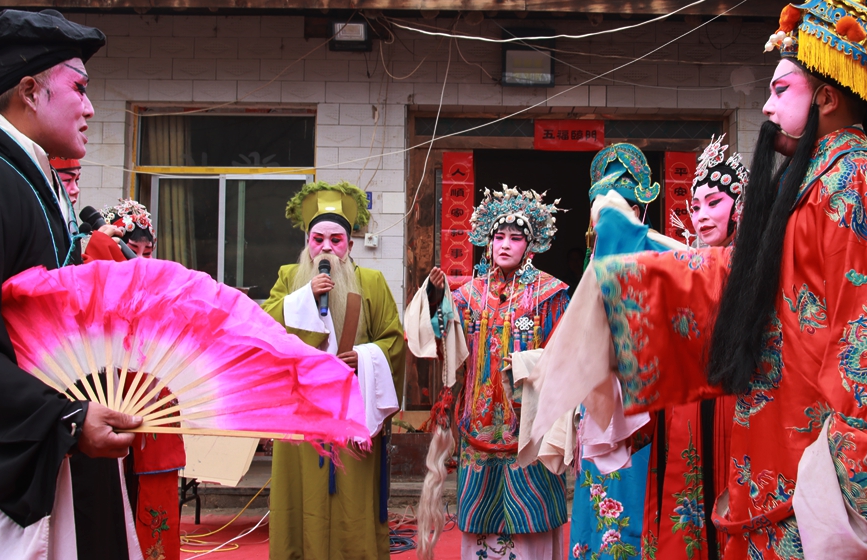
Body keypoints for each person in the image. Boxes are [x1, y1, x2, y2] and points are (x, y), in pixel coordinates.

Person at [526, 0, 867, 556]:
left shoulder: (862, 184)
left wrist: (865, 475)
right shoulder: (806, 189)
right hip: (774, 446)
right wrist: (635, 253)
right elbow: (731, 281)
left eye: (781, 90)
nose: (767, 108)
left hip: (818, 465)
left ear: (827, 98)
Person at [0, 9, 142, 560]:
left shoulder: (41, 187)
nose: (90, 108)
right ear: (30, 91)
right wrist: (66, 418)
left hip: (66, 447)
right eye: (79, 88)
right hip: (8, 466)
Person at [261, 181, 405, 560]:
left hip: (354, 409)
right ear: (307, 243)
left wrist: (366, 357)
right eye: (318, 239)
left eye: (336, 240)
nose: (326, 248)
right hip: (302, 413)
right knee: (300, 495)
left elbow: (393, 341)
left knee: (352, 500)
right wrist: (304, 297)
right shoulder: (288, 277)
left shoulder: (371, 282)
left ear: (350, 245)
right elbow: (265, 330)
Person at [426, 186, 570, 560]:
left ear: (530, 244)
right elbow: (448, 349)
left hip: (529, 425)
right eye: (498, 236)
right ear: (487, 242)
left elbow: (565, 355)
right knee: (482, 521)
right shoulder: (468, 295)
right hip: (479, 424)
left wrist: (528, 366)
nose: (505, 244)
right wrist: (435, 303)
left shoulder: (551, 294)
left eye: (515, 238)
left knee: (531, 519)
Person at [637, 136, 747, 560]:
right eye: (695, 206)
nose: (700, 215)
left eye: (714, 203)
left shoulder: (758, 266)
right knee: (681, 499)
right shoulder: (686, 266)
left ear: (739, 206)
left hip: (738, 403)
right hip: (682, 408)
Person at [569, 143, 664, 560]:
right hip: (599, 402)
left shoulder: (660, 255)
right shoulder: (593, 266)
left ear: (638, 212)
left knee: (639, 499)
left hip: (646, 402)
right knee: (597, 500)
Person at [83, 199, 185, 560]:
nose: (139, 258)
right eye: (130, 249)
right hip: (106, 397)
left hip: (152, 404)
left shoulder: (162, 286)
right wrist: (101, 245)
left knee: (155, 508)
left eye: (147, 251)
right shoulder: (95, 278)